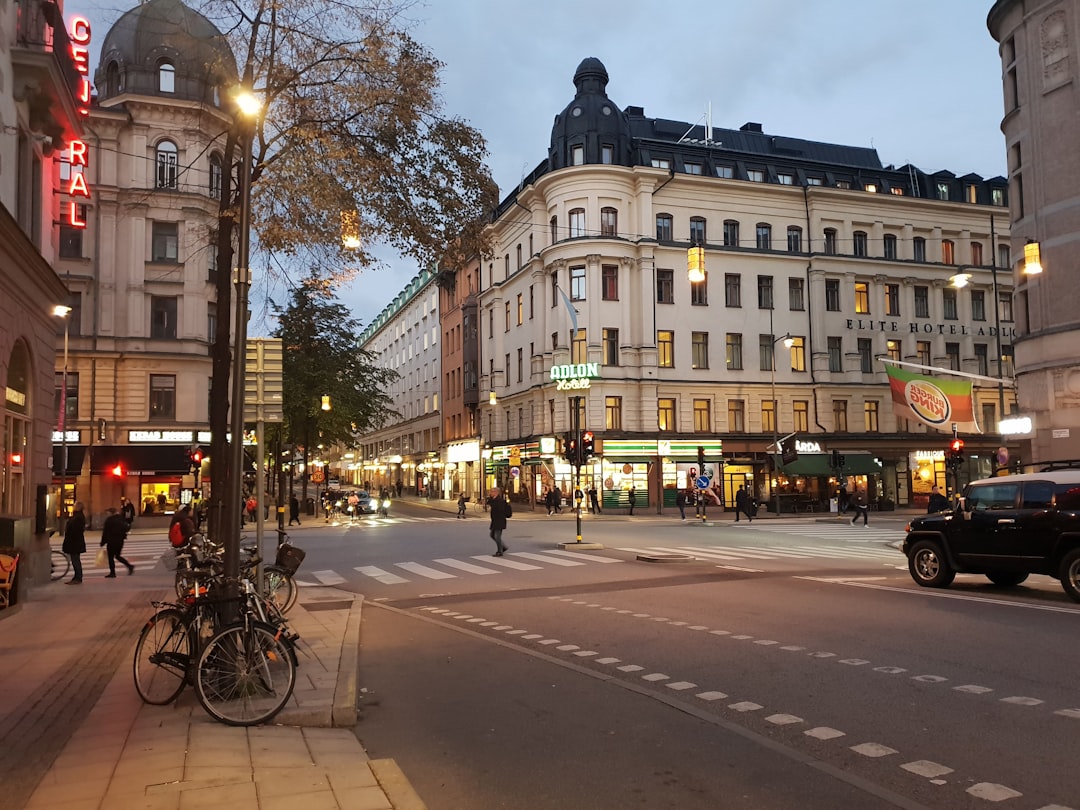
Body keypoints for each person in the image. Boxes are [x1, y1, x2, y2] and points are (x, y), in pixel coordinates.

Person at [100, 507, 134, 577]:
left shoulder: (109, 520)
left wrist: (102, 542)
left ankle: (112, 573)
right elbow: (127, 527)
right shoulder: (121, 518)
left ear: (110, 513)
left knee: (111, 557)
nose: (107, 514)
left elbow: (105, 532)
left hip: (112, 541)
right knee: (117, 556)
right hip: (120, 541)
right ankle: (129, 566)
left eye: (108, 513)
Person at [62, 501, 87, 584]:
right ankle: (77, 576)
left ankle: (78, 577)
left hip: (75, 542)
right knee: (75, 559)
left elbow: (75, 530)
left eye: (75, 505)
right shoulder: (77, 516)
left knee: (75, 560)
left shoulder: (78, 517)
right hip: (75, 541)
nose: (73, 506)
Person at [487, 486, 510, 557]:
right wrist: (490, 497)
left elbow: (500, 510)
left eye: (492, 492)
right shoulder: (493, 499)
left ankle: (500, 551)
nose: (490, 493)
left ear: (496, 492)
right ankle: (503, 547)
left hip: (499, 520)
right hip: (495, 521)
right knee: (492, 535)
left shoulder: (500, 501)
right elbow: (489, 503)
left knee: (497, 536)